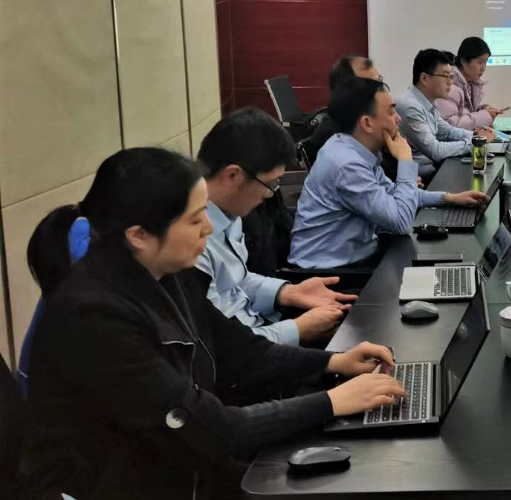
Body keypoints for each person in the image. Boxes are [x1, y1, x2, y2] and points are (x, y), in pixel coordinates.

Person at [18, 147, 407, 500]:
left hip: (179, 469)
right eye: (194, 219)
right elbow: (213, 427)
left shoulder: (168, 274)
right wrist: (333, 401)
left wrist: (334, 362)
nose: (208, 228)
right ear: (139, 235)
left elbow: (243, 351)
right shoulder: (94, 316)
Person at [289, 77, 490, 269]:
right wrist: (405, 160)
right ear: (367, 123)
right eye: (391, 112)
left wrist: (449, 198)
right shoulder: (347, 165)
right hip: (329, 272)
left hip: (355, 255)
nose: (398, 118)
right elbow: (401, 222)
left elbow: (393, 193)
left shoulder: (354, 148)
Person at [196, 107, 357, 346]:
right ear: (233, 176)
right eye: (270, 184)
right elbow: (222, 346)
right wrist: (296, 330)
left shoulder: (230, 212)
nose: (270, 195)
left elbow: (236, 282)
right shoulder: (191, 242)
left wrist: (288, 292)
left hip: (261, 332)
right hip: (248, 354)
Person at [396, 48, 496, 178]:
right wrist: (475, 142)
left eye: (451, 76)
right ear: (425, 78)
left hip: (435, 170)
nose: (450, 82)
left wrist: (475, 136)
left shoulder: (427, 101)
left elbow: (447, 131)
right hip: (420, 179)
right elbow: (435, 150)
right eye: (445, 76)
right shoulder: (410, 107)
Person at [304, 54, 385, 161]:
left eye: (380, 82)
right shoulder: (332, 137)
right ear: (347, 90)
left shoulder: (365, 121)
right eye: (372, 85)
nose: (381, 90)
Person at [436, 36, 506, 130]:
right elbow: (448, 125)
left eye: (486, 62)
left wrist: (484, 110)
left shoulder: (470, 83)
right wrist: (485, 116)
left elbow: (465, 113)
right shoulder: (450, 87)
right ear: (463, 61)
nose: (484, 68)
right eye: (480, 62)